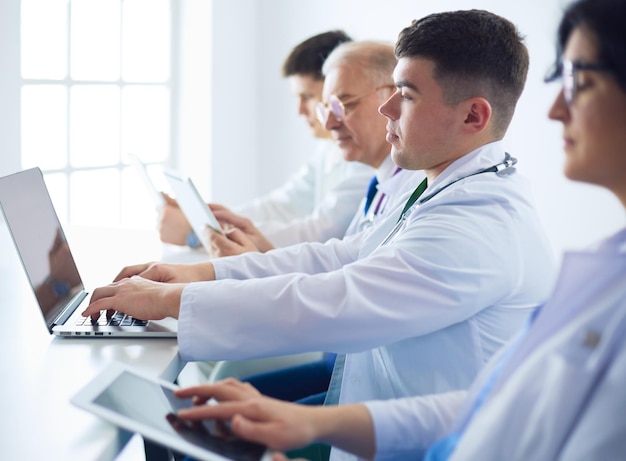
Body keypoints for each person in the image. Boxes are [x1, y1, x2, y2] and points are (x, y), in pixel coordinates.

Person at [84, 11, 556, 461]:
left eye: (406, 95)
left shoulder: (479, 222)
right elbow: (341, 257)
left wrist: (173, 300)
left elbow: (341, 299)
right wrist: (197, 273)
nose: (386, 107)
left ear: (474, 117)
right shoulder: (442, 186)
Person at [159, 30, 375, 255]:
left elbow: (319, 232)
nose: (300, 111)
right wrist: (206, 219)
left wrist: (199, 233)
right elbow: (282, 204)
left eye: (308, 97)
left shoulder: (366, 157)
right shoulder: (329, 148)